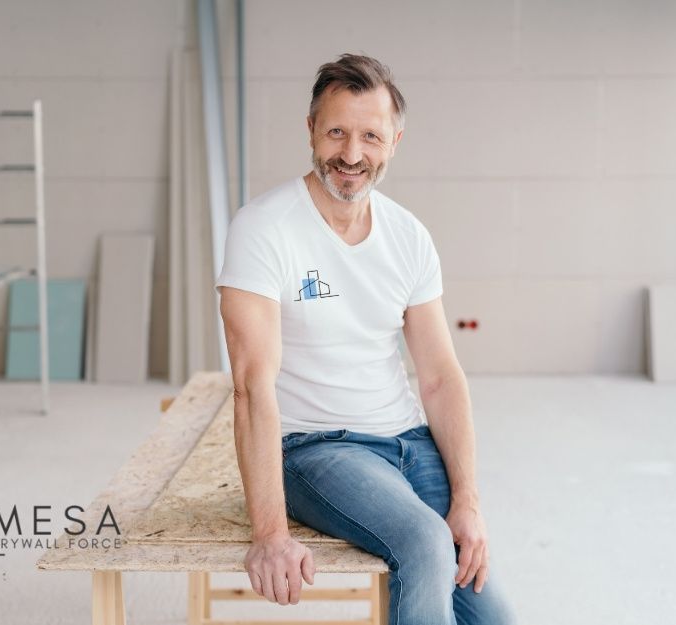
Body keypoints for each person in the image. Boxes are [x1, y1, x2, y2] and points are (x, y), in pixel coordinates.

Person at [215, 53, 510, 625]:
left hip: (410, 444)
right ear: (310, 131)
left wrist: (469, 500)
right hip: (318, 449)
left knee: (488, 609)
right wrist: (270, 531)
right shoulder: (263, 229)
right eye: (337, 133)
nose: (351, 155)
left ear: (395, 140)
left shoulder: (408, 236)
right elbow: (252, 387)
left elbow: (441, 377)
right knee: (425, 541)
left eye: (370, 136)